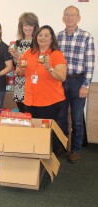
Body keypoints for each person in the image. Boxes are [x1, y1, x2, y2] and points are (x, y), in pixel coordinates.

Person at [17, 25, 67, 152]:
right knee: (33, 132)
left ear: (52, 39)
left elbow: (62, 77)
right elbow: (20, 73)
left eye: (46, 35)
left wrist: (49, 68)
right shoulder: (29, 52)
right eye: (40, 35)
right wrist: (20, 69)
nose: (42, 38)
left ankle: (52, 158)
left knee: (48, 133)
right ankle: (36, 155)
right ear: (36, 37)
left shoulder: (56, 54)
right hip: (30, 100)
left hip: (50, 102)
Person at [57, 6, 95, 162]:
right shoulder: (58, 37)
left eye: (73, 15)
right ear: (63, 18)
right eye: (67, 15)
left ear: (78, 18)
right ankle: (62, 145)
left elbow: (90, 63)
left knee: (77, 118)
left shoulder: (87, 36)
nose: (70, 17)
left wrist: (86, 85)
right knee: (61, 117)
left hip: (78, 81)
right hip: (61, 81)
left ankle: (76, 150)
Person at [9, 12, 39, 112]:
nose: (28, 28)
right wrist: (14, 57)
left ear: (35, 27)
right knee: (22, 113)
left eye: (30, 25)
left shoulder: (38, 43)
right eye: (25, 25)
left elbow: (36, 63)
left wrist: (21, 57)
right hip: (19, 83)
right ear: (21, 27)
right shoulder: (17, 43)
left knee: (32, 114)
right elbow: (15, 64)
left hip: (32, 82)